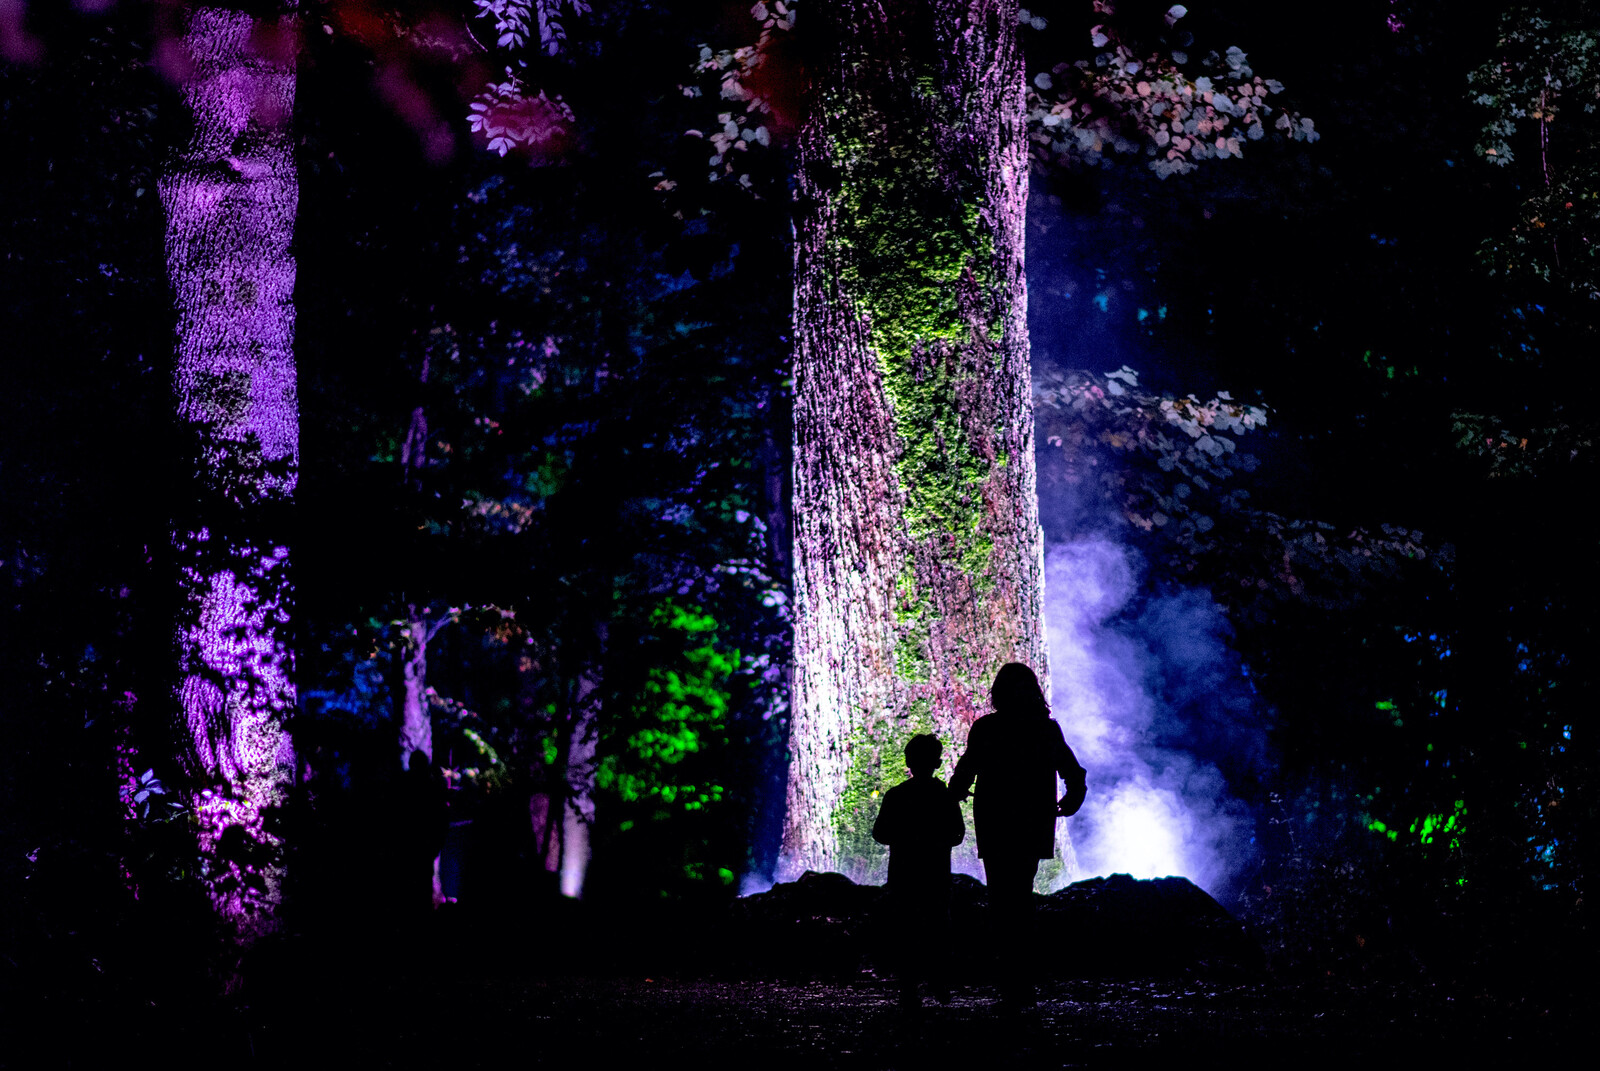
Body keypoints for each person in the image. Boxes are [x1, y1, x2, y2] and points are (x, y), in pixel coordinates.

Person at [949, 662, 1086, 1008]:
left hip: (996, 822)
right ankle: (1021, 978)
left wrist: (953, 793)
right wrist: (1071, 800)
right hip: (1031, 822)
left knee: (1001, 897)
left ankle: (1010, 975)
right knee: (1021, 895)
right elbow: (1072, 771)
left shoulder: (986, 728)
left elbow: (967, 768)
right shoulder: (1045, 729)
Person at [872, 732, 965, 1009]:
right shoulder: (944, 796)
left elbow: (880, 833)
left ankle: (908, 988)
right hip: (936, 873)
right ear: (937, 763)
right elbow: (957, 834)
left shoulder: (896, 795)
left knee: (906, 928)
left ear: (907, 762)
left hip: (904, 874)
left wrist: (906, 837)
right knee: (938, 926)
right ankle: (939, 982)